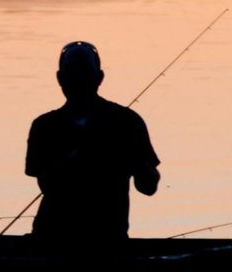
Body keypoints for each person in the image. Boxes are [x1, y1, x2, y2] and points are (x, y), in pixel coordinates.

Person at [25, 41, 160, 242]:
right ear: (60, 78)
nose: (78, 78)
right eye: (72, 72)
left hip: (108, 237)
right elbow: (47, 185)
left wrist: (134, 160)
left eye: (85, 71)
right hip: (51, 237)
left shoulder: (127, 121)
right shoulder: (44, 126)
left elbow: (148, 187)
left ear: (99, 77)